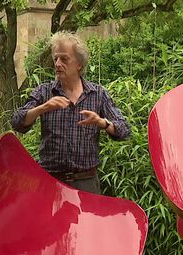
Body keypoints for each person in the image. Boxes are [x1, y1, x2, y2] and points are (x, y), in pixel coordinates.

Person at [11, 31, 131, 194]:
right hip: (50, 182)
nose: (58, 64)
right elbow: (17, 122)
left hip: (86, 183)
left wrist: (101, 122)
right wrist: (43, 108)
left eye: (64, 59)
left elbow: (124, 130)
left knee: (87, 221)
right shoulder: (44, 92)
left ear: (79, 64)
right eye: (56, 59)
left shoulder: (98, 94)